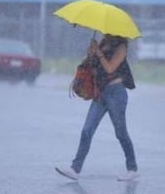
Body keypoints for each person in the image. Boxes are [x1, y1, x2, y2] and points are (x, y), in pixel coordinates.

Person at [55, 34, 138, 181]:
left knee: (120, 133)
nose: (105, 32)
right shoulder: (103, 43)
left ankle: (132, 169)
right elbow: (91, 64)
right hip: (100, 93)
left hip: (116, 94)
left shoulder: (121, 47)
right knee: (87, 130)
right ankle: (75, 169)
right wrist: (90, 52)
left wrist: (98, 53)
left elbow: (110, 68)